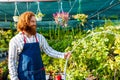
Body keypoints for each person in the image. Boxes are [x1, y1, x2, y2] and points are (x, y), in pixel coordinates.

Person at [8, 11, 71, 80]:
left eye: (35, 22)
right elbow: (12, 61)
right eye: (32, 22)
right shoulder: (16, 40)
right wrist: (14, 78)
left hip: (39, 74)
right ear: (24, 22)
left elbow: (49, 50)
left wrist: (63, 55)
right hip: (25, 76)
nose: (35, 24)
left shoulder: (39, 37)